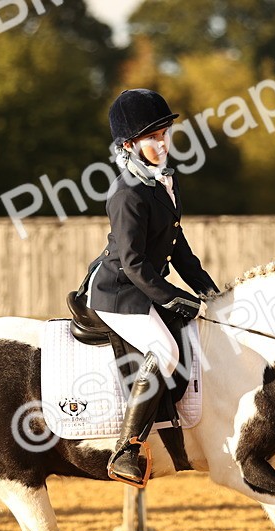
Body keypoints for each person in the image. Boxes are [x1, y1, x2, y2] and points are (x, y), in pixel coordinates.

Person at [83, 88, 219, 487]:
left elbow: (178, 248)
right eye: (152, 138)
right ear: (130, 145)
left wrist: (212, 294)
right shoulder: (127, 192)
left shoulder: (162, 183)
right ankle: (127, 449)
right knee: (165, 351)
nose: (162, 144)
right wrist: (176, 299)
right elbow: (133, 262)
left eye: (164, 135)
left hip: (142, 289)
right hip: (119, 293)